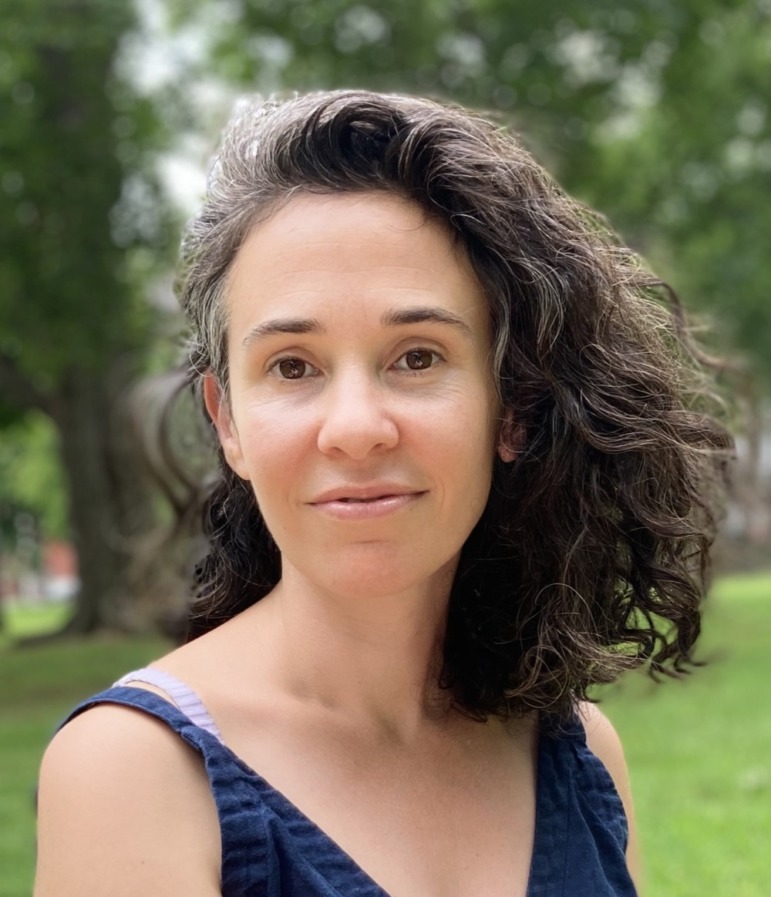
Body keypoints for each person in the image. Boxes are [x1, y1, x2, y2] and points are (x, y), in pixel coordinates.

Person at [34, 90, 732, 897]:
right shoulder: (135, 774)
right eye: (292, 366)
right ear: (228, 424)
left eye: (416, 357)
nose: (356, 428)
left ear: (512, 407)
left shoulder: (579, 752)